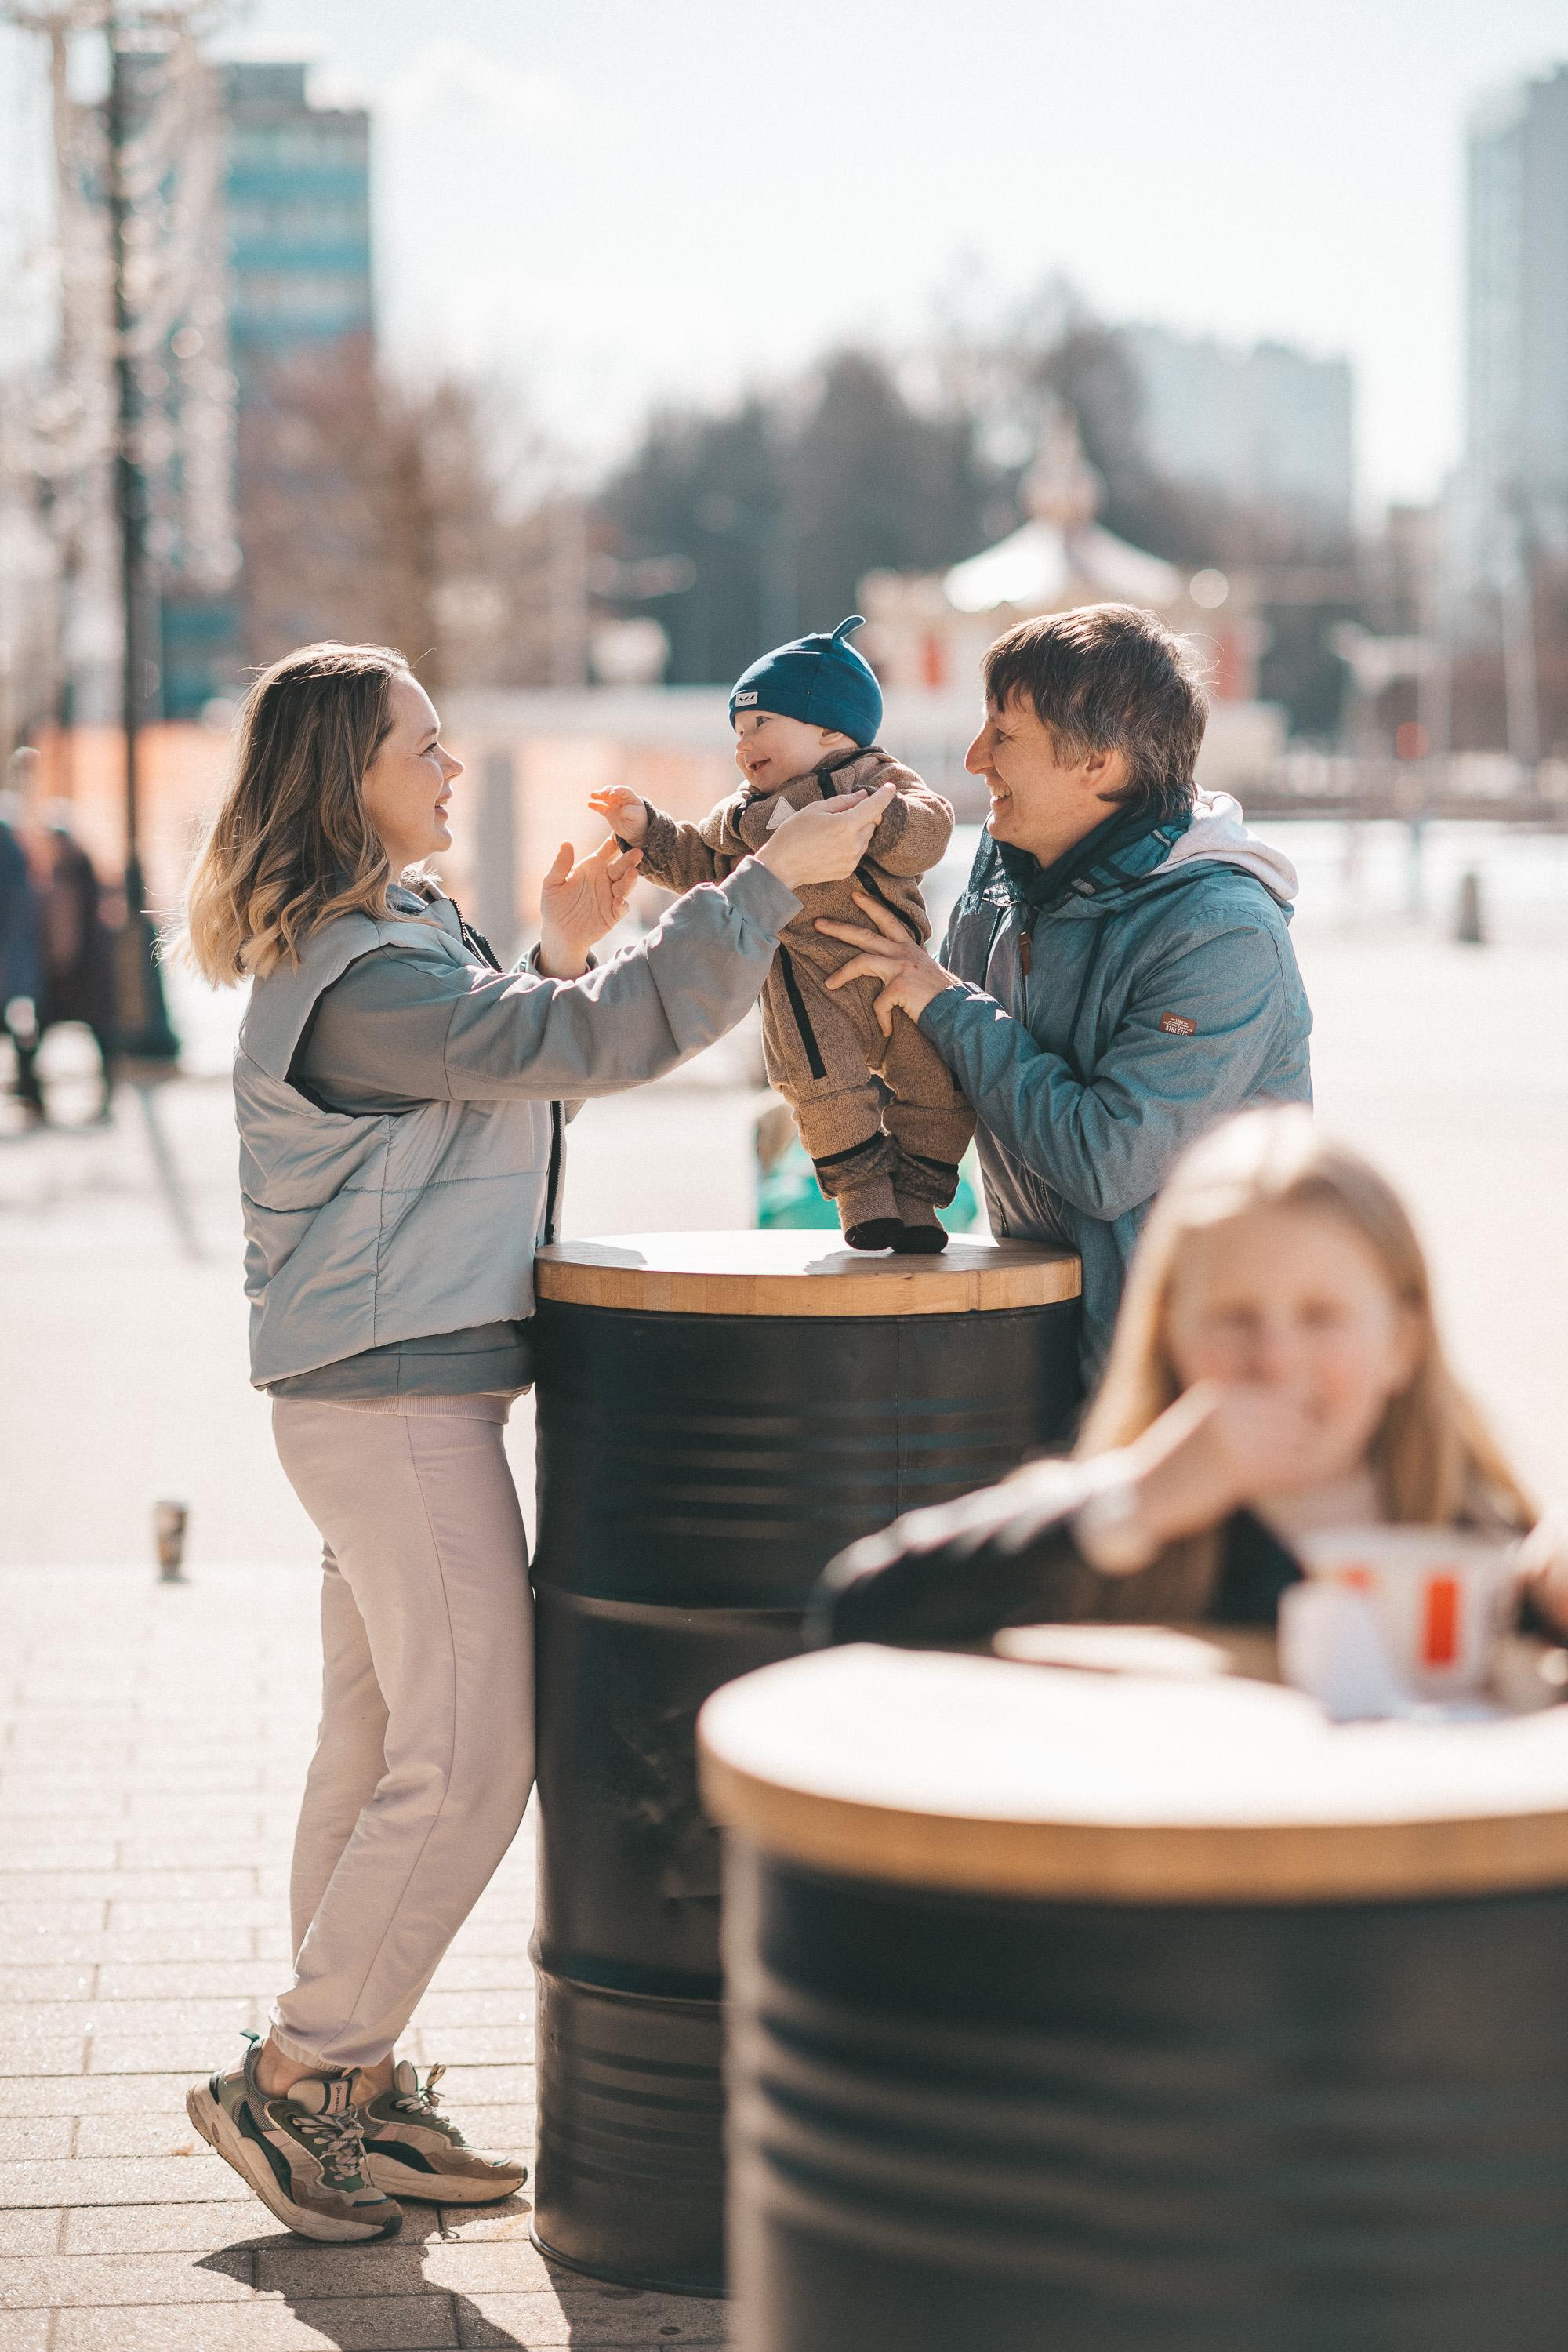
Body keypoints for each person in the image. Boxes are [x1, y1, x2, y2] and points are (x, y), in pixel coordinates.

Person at [177, 639, 895, 2245]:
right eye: (421, 747)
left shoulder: (393, 937)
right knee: (471, 1759)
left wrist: (562, 948)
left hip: (377, 1398)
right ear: (341, 782)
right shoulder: (362, 974)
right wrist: (767, 880)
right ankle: (298, 2078)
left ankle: (349, 2095)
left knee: (376, 1760)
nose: (450, 768)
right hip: (396, 1407)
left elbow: (496, 1054)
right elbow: (573, 1053)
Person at [812, 1106, 1563, 1650]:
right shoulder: (1121, 1524)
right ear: (1171, 1336)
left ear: (1403, 1342)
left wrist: (1543, 1603)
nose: (1276, 1359)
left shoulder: (1477, 1538)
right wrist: (1131, 1505)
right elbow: (857, 1608)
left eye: (1322, 1316)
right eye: (1235, 1318)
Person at [815, 604, 1312, 1374]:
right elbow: (948, 1060)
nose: (975, 756)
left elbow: (1105, 1164)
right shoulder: (1007, 867)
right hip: (1045, 1354)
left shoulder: (1220, 935)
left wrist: (944, 1003)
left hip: (1194, 1388)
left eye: (1002, 735)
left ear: (1097, 763)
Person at [590, 616, 973, 1253]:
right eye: (738, 731)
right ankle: (864, 1201)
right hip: (806, 990)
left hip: (895, 977)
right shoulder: (743, 818)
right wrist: (645, 830)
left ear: (830, 727)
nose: (744, 745)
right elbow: (698, 863)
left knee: (940, 1085)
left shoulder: (878, 782)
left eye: (761, 724)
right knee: (823, 1089)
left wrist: (883, 822)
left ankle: (918, 1200)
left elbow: (929, 835)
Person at [11, 810, 117, 1123]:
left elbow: (64, 931)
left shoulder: (65, 878)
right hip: (88, 973)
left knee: (39, 1034)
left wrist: (58, 969)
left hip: (71, 976)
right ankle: (102, 1094)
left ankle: (33, 1096)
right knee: (99, 1035)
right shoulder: (83, 873)